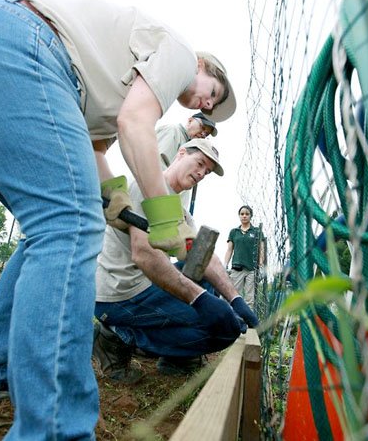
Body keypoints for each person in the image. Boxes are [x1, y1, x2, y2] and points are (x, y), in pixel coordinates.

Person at [0, 0, 235, 439]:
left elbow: (96, 147)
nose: (204, 103)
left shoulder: (108, 83)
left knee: (48, 228)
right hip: (16, 41)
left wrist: (113, 200)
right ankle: (56, 429)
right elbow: (134, 125)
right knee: (69, 226)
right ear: (202, 66)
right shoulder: (178, 54)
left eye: (211, 106)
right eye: (212, 93)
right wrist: (163, 217)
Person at [93, 139, 258, 382]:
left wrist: (235, 299)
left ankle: (174, 357)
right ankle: (119, 335)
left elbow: (203, 256)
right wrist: (199, 299)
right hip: (120, 294)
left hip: (144, 286)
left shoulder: (180, 211)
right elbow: (144, 254)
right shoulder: (146, 185)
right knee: (221, 331)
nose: (202, 173)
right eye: (200, 163)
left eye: (207, 171)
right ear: (181, 153)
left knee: (203, 276)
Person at [156, 112, 218, 211]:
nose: (203, 134)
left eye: (207, 134)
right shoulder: (173, 131)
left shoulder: (193, 148)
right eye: (202, 127)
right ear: (190, 120)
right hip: (157, 202)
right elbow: (155, 166)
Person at [224, 205, 266, 307]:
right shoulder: (234, 232)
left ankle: (247, 322)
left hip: (251, 269)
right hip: (237, 268)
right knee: (232, 295)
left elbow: (261, 249)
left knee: (249, 299)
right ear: (239, 216)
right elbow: (229, 250)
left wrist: (260, 265)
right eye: (242, 214)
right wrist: (225, 264)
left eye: (247, 214)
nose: (244, 216)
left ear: (251, 216)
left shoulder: (256, 231)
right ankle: (231, 319)